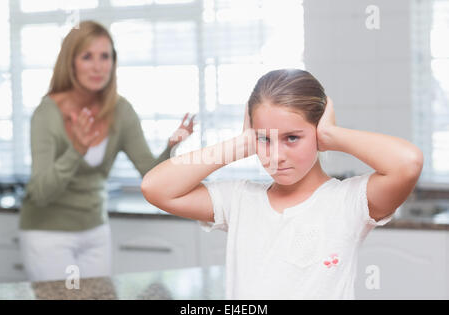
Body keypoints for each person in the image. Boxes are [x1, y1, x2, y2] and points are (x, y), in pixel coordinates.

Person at [141, 69, 424, 299]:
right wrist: (240, 145)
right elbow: (155, 187)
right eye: (264, 139)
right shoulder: (238, 200)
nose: (276, 156)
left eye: (292, 138)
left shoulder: (348, 202)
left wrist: (332, 135)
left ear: (318, 132)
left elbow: (408, 163)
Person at [19, 20, 194, 282]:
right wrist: (76, 149)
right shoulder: (47, 114)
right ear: (71, 62)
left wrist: (172, 146)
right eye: (87, 56)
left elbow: (149, 173)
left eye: (105, 56)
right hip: (48, 234)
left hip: (95, 231)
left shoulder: (121, 110)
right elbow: (41, 192)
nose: (98, 66)